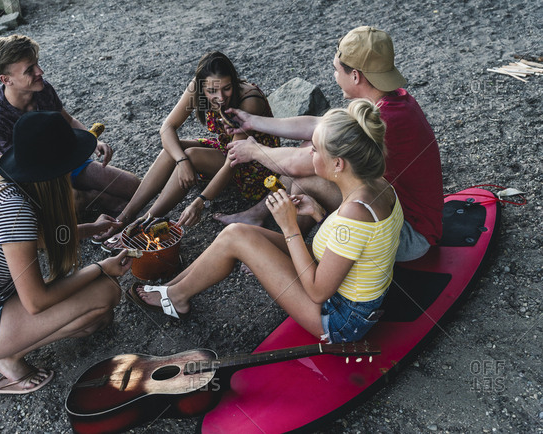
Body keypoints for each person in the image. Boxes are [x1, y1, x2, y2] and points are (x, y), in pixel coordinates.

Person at [129, 99, 403, 344]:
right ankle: (174, 290)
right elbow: (360, 243)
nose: (310, 154)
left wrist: (290, 227)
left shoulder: (354, 212)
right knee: (235, 234)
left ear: (339, 164)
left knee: (238, 237)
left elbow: (318, 291)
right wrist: (318, 214)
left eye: (316, 151)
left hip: (340, 320)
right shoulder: (378, 186)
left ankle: (175, 296)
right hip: (346, 293)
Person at [0, 112, 132, 394]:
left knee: (97, 320)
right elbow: (36, 301)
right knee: (105, 292)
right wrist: (101, 268)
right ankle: (1, 355)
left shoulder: (15, 189)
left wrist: (89, 228)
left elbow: (39, 238)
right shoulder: (16, 211)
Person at [217, 26, 443, 262]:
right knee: (312, 145)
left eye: (336, 70)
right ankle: (263, 219)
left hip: (410, 236)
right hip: (399, 211)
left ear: (355, 76)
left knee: (310, 176)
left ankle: (289, 253)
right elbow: (318, 126)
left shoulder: (386, 119)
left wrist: (255, 150)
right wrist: (253, 122)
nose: (334, 76)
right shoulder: (388, 100)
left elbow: (298, 164)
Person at [99, 51, 279, 248]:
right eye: (212, 91)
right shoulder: (197, 89)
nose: (220, 97)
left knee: (191, 155)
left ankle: (141, 225)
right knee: (174, 150)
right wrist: (181, 161)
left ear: (234, 82)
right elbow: (167, 128)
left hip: (256, 166)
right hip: (225, 148)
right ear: (202, 87)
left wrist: (200, 201)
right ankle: (125, 217)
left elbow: (233, 160)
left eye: (227, 88)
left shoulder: (249, 100)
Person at [0, 34, 140, 221]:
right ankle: (94, 197)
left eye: (37, 63)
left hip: (60, 161)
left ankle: (82, 193)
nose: (40, 72)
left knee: (132, 185)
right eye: (30, 70)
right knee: (74, 202)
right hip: (21, 181)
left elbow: (68, 121)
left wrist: (92, 140)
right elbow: (19, 170)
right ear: (6, 80)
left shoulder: (41, 88)